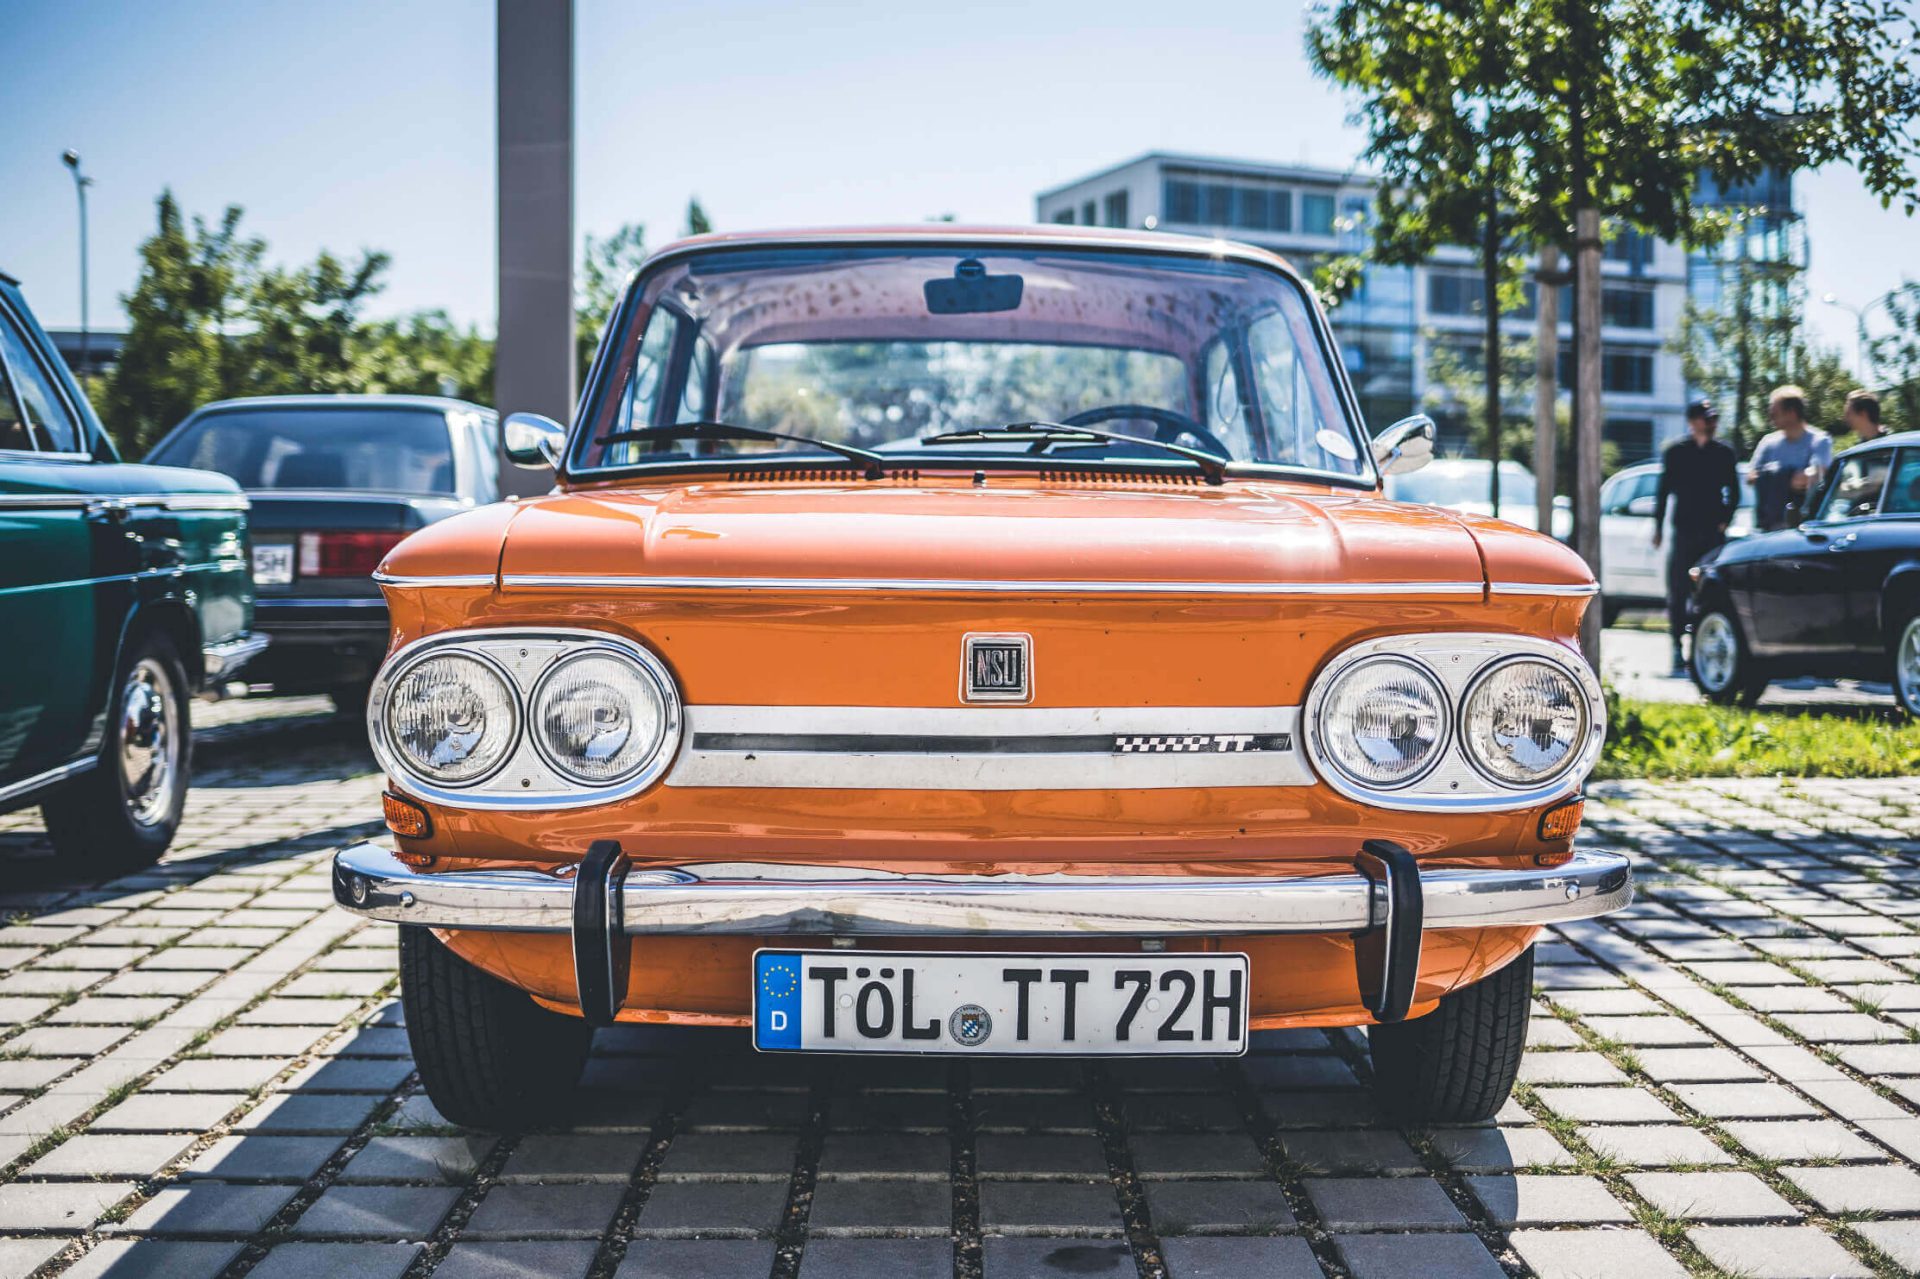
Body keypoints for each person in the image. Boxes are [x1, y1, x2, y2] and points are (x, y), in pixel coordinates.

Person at [1654, 400, 1740, 675]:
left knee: (1710, 589)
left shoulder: (1723, 452)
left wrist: (1725, 519)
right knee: (1678, 589)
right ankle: (1677, 644)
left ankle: (1703, 644)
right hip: (1684, 530)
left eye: (1714, 418)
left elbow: (1734, 491)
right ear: (1693, 422)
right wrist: (1658, 527)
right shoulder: (1677, 452)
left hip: (1712, 532)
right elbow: (1663, 491)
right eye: (1706, 418)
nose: (1712, 423)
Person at [1747, 385, 1832, 532]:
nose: (1770, 418)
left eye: (1775, 414)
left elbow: (1815, 476)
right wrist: (1784, 475)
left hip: (1804, 523)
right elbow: (1751, 477)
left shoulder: (1819, 440)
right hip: (1769, 524)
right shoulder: (1767, 442)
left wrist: (1771, 475)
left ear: (1791, 413)